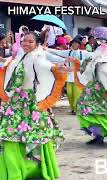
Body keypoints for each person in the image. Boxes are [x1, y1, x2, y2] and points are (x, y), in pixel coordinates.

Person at [0, 32, 68, 180]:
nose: (26, 44)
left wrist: (57, 70)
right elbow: (9, 67)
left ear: (37, 44)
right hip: (16, 102)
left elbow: (47, 67)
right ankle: (15, 171)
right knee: (9, 135)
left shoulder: (38, 58)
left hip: (32, 103)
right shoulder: (19, 57)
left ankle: (35, 170)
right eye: (24, 41)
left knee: (35, 136)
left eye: (30, 42)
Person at [70, 40, 107, 145]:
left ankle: (99, 134)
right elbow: (84, 69)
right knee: (87, 110)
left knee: (96, 112)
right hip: (93, 90)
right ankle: (98, 134)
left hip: (99, 91)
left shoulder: (103, 62)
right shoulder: (94, 60)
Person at [46, 37, 93, 114]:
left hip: (79, 77)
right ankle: (73, 108)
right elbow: (57, 52)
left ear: (79, 44)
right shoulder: (68, 52)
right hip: (69, 76)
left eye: (76, 43)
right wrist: (46, 49)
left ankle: (76, 109)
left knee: (76, 94)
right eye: (73, 43)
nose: (74, 45)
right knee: (69, 94)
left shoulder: (83, 53)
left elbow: (92, 56)